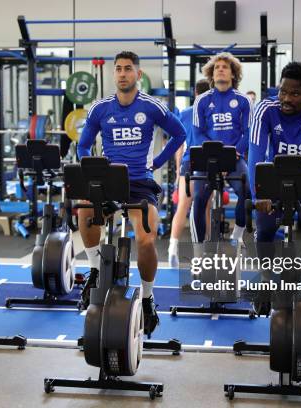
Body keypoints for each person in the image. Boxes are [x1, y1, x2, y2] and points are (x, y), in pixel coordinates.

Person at [77, 51, 186, 335]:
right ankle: (95, 271)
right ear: (114, 74)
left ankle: (148, 298)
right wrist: (91, 168)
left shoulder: (152, 106)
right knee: (84, 209)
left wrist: (159, 162)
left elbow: (180, 133)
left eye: (128, 69)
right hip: (108, 179)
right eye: (118, 69)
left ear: (138, 74)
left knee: (146, 241)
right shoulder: (100, 108)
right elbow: (83, 145)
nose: (122, 73)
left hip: (140, 182)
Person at [248, 62, 301, 275]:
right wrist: (258, 196)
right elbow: (255, 154)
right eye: (283, 91)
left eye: (295, 94)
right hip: (274, 178)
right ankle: (266, 277)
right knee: (265, 226)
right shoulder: (265, 108)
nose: (286, 99)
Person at [190, 52, 251, 244]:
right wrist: (213, 155)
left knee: (247, 192)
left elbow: (248, 133)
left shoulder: (243, 100)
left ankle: (237, 235)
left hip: (234, 157)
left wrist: (231, 155)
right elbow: (197, 133)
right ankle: (199, 249)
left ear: (233, 74)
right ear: (211, 74)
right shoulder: (202, 100)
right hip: (208, 158)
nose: (221, 70)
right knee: (199, 199)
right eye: (217, 67)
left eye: (225, 67)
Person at [168, 79, 211, 268]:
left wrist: (178, 171)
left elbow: (179, 146)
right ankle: (202, 253)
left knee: (183, 207)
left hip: (188, 162)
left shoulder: (184, 114)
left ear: (194, 94)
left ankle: (172, 249)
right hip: (206, 163)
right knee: (205, 208)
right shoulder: (211, 114)